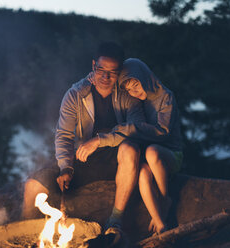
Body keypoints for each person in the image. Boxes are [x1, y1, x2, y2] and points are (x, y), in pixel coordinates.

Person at [22, 43, 144, 232]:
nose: (105, 77)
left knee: (131, 149)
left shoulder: (129, 92)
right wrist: (65, 167)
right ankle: (26, 235)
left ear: (120, 71)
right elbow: (63, 135)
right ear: (93, 65)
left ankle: (115, 221)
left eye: (112, 72)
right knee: (32, 186)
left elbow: (135, 128)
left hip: (118, 161)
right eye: (101, 69)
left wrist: (100, 140)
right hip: (83, 159)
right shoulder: (76, 94)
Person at [117, 58, 183, 234]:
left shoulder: (166, 97)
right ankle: (160, 223)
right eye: (129, 90)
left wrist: (133, 129)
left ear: (144, 78)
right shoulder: (137, 103)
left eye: (136, 85)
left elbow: (163, 132)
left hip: (171, 155)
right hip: (149, 157)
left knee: (153, 152)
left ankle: (164, 199)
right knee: (142, 174)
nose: (134, 92)